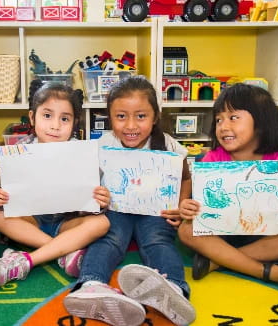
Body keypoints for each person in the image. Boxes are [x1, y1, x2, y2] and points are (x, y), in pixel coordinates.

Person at [63, 75, 196, 326]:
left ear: (155, 116)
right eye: (121, 116)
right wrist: (97, 197)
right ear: (109, 117)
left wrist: (180, 204)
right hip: (117, 208)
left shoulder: (168, 144)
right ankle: (91, 284)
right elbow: (91, 182)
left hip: (156, 211)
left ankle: (174, 289)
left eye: (141, 116)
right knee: (109, 239)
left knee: (158, 241)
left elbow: (186, 178)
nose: (130, 125)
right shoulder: (104, 144)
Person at [178, 83, 278, 293]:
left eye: (233, 117)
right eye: (219, 119)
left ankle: (218, 261)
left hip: (262, 235)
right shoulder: (212, 160)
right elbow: (199, 211)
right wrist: (188, 209)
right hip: (220, 234)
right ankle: (268, 272)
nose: (223, 126)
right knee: (186, 230)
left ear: (262, 123)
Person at [0, 80, 111, 287]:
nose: (55, 125)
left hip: (66, 223)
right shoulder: (18, 151)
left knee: (102, 223)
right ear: (32, 117)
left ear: (74, 123)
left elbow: (94, 203)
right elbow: (0, 195)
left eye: (65, 118)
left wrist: (100, 202)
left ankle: (28, 260)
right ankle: (62, 252)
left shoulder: (83, 153)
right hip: (30, 222)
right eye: (47, 115)